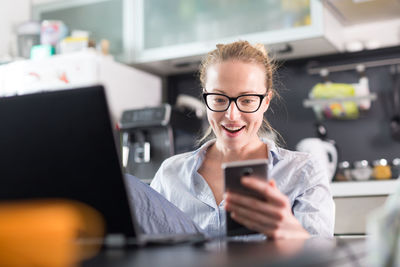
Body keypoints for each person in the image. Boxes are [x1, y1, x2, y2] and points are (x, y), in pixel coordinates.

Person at [147, 40, 334, 239]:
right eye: (219, 99)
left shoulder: (303, 172)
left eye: (247, 100)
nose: (232, 115)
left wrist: (292, 233)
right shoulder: (170, 175)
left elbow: (323, 258)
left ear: (266, 101)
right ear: (206, 99)